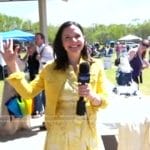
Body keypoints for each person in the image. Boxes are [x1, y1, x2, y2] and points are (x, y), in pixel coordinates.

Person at [1, 21, 108, 149]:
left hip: (88, 135)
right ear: (61, 43)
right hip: (59, 137)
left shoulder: (96, 65)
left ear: (84, 39)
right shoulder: (50, 69)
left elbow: (104, 100)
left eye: (77, 36)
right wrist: (12, 64)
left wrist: (92, 96)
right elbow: (27, 92)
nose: (73, 40)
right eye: (67, 38)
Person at [0, 40, 31, 135]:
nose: (21, 49)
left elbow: (23, 63)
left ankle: (16, 126)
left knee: (18, 105)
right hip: (12, 85)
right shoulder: (11, 59)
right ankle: (13, 127)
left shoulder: (17, 59)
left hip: (17, 84)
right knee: (13, 105)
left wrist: (28, 55)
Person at [23, 43, 42, 118]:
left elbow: (40, 61)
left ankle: (39, 111)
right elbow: (23, 61)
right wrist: (27, 54)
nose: (28, 49)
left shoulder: (36, 55)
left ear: (34, 48)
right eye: (27, 48)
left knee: (38, 95)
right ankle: (35, 110)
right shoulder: (30, 56)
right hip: (31, 77)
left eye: (30, 48)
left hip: (37, 76)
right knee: (33, 95)